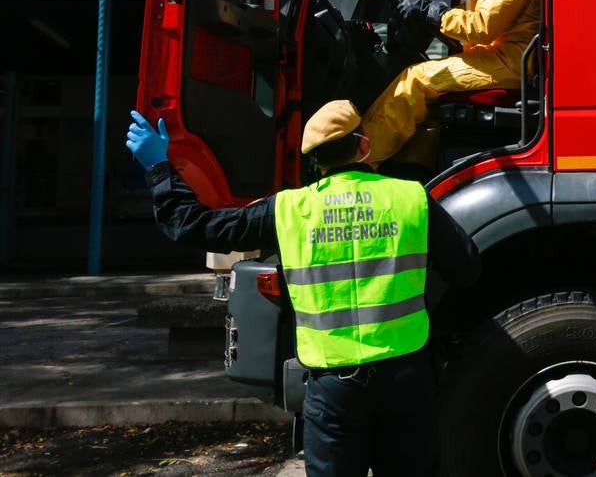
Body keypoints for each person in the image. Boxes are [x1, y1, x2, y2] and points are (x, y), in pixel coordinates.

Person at [126, 101, 480, 477]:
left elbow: (194, 225)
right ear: (364, 145)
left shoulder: (288, 210)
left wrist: (159, 168)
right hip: (407, 379)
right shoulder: (412, 199)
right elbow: (468, 269)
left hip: (333, 389)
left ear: (317, 160)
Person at [364, 0, 541, 166]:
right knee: (430, 104)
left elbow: (482, 27)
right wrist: (435, 14)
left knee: (416, 80)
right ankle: (413, 168)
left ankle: (363, 157)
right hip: (503, 57)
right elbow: (476, 16)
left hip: (511, 62)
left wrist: (431, 11)